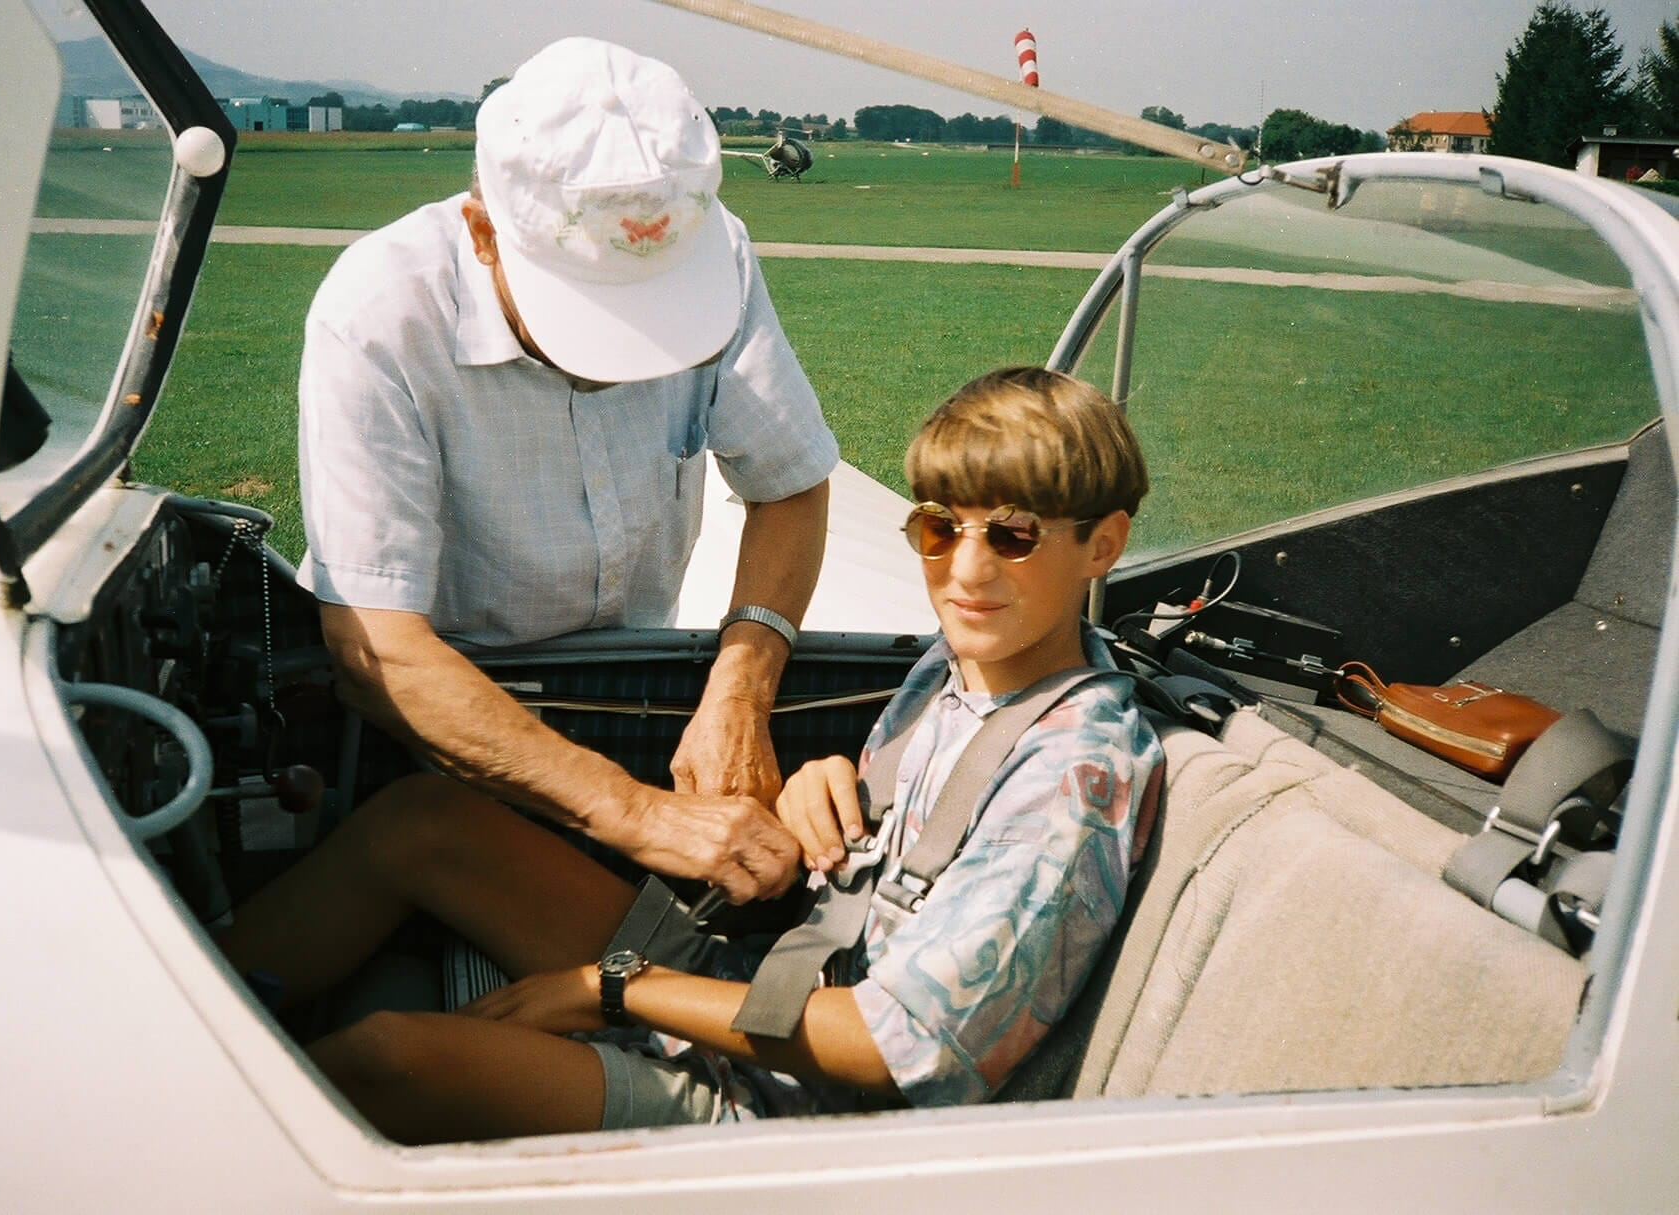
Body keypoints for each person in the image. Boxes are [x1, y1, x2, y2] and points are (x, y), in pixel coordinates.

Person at [220, 366, 1165, 1142]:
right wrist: (825, 788)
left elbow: (897, 1048)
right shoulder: (962, 668)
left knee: (391, 1061)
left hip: (805, 1107)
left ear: (1102, 546)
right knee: (422, 822)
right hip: (773, 978)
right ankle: (179, 1029)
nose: (966, 570)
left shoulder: (1072, 778)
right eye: (938, 527)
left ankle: (189, 1135)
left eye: (1013, 536)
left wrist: (617, 989)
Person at [295, 38, 839, 902]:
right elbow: (379, 652)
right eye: (591, 316)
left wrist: (741, 688)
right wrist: (641, 815)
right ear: (482, 232)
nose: (624, 362)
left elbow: (791, 483)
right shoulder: (378, 312)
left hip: (637, 673)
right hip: (447, 711)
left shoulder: (719, 251)